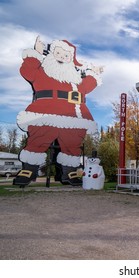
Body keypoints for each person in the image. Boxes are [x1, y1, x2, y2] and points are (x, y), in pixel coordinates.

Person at [14, 36, 103, 186]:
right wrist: (36, 53)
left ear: (71, 60)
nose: (62, 57)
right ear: (51, 54)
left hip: (73, 116)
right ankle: (29, 169)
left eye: (66, 55)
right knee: (39, 136)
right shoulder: (42, 72)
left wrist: (93, 73)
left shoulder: (74, 80)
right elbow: (27, 71)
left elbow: (86, 86)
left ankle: (70, 172)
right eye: (58, 53)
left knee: (72, 142)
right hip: (44, 112)